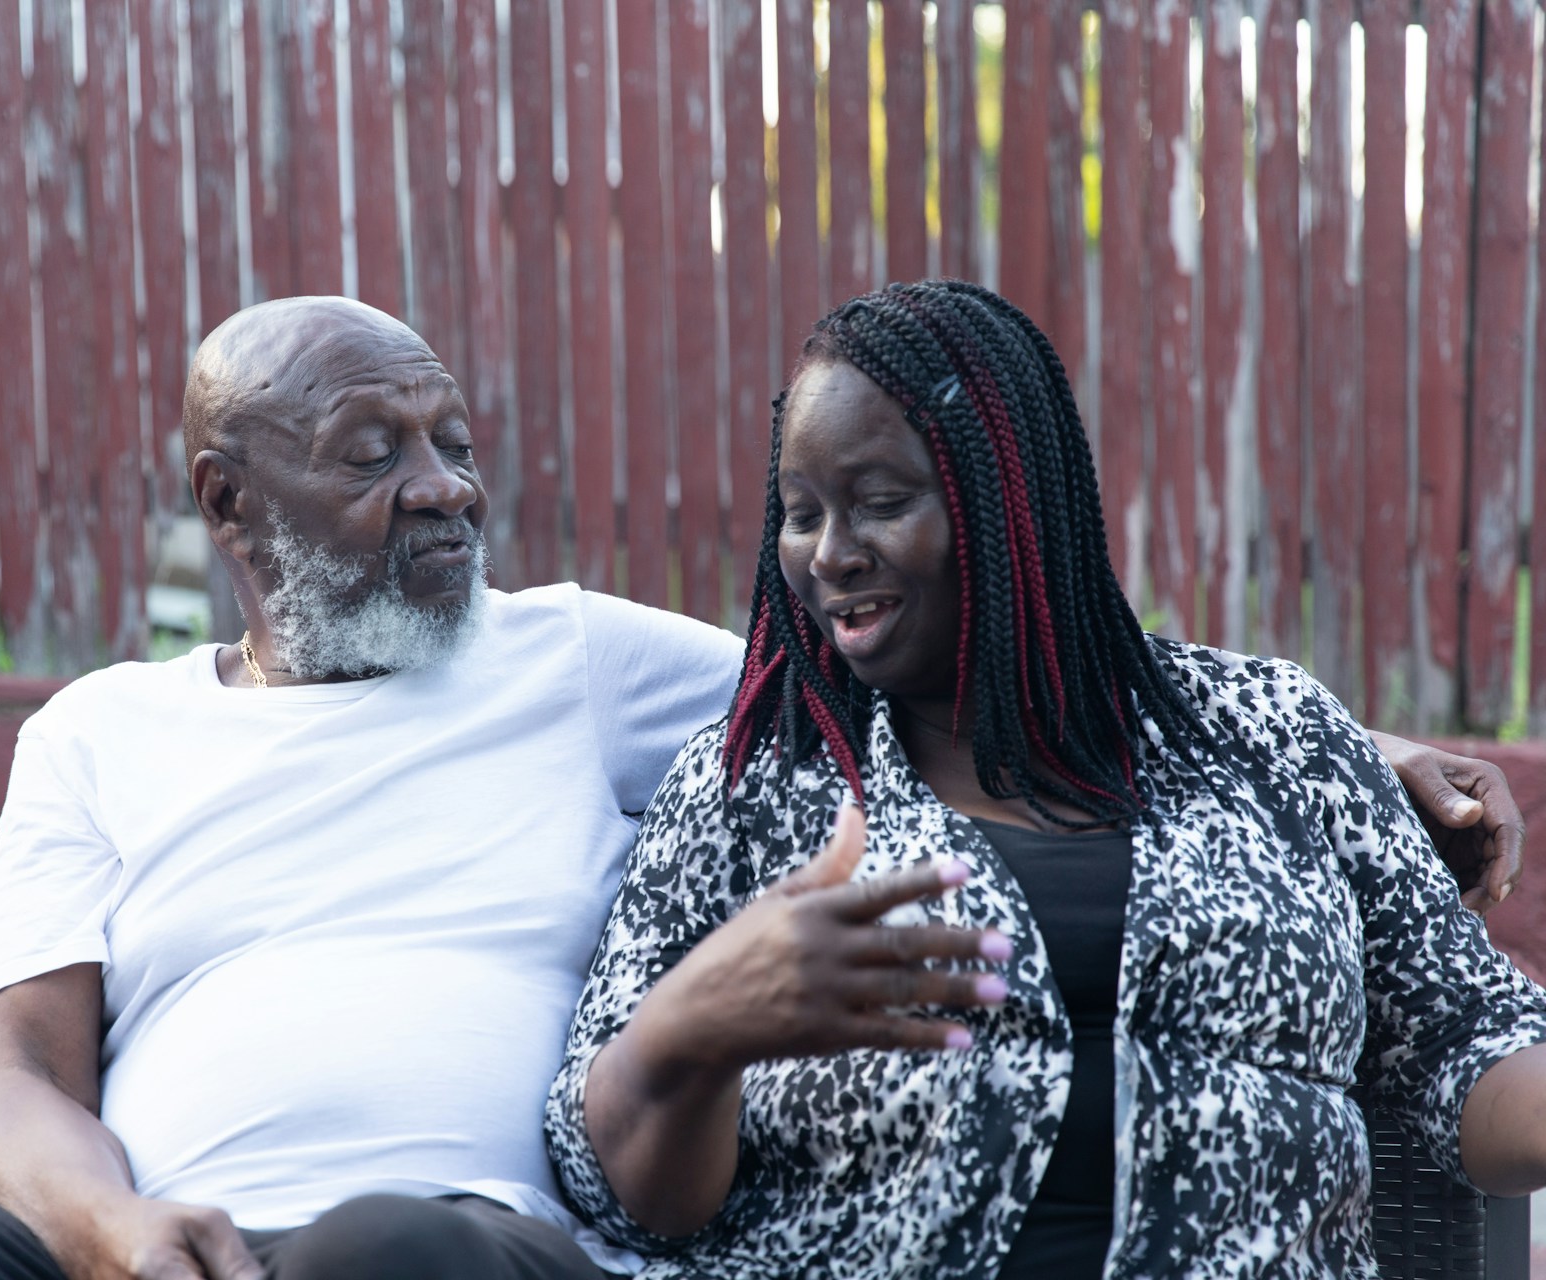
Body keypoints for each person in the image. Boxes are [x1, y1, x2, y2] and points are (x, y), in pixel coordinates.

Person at [0, 296, 1525, 1280]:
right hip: (160, 1254)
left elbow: (978, 671)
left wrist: (1348, 749)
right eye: (376, 453)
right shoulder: (97, 735)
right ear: (232, 504)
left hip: (457, 1250)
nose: (448, 488)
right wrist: (123, 1235)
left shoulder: (584, 660)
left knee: (389, 1247)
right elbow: (21, 1084)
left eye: (458, 441)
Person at [544, 280, 1546, 1279]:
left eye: (880, 502)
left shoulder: (1274, 733)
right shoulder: (754, 784)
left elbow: (1473, 1042)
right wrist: (698, 1028)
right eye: (801, 514)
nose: (831, 554)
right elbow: (619, 1191)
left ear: (1010, 496)